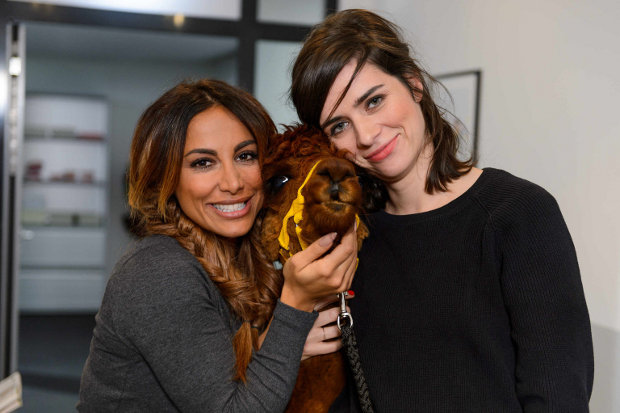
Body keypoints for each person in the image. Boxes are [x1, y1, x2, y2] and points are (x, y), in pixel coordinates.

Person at [290, 9, 594, 412]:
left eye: (374, 101)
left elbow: (558, 397)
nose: (365, 136)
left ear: (414, 84)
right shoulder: (351, 238)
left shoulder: (518, 214)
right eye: (339, 126)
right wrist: (298, 346)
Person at [77, 79, 358, 412]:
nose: (233, 183)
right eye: (203, 163)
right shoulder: (159, 272)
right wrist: (296, 305)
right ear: (165, 178)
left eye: (245, 155)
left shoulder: (245, 254)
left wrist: (283, 342)